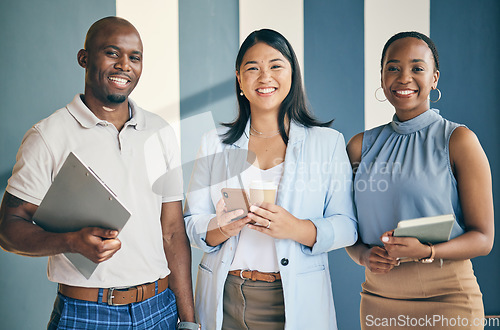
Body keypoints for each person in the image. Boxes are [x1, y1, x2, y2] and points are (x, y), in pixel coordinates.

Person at [0, 16, 199, 330]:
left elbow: (173, 232)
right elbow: (8, 229)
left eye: (135, 57)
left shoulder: (160, 132)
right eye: (112, 53)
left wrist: (189, 322)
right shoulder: (48, 136)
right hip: (86, 313)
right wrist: (72, 241)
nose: (125, 65)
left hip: (159, 310)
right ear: (84, 58)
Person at [183, 28, 357, 330]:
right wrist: (219, 228)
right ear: (239, 78)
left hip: (294, 300)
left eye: (276, 66)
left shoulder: (327, 143)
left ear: (293, 74)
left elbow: (348, 226)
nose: (265, 77)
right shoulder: (213, 143)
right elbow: (191, 222)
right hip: (225, 299)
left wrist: (297, 228)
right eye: (253, 68)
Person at [346, 31, 494, 330]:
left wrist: (428, 252)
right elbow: (346, 226)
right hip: (379, 300)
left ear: (434, 78)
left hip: (449, 300)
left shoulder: (458, 140)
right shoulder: (360, 146)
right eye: (393, 68)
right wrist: (364, 256)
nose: (404, 78)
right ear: (382, 76)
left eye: (417, 68)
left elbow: (483, 238)